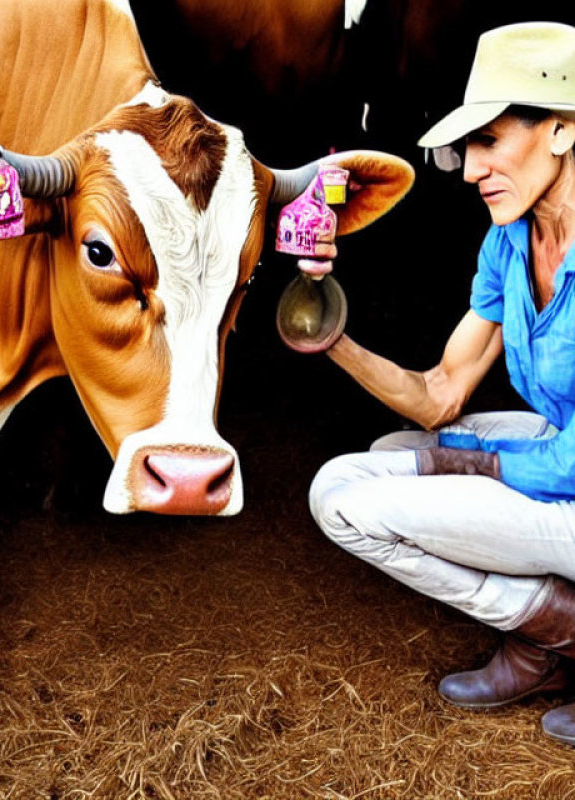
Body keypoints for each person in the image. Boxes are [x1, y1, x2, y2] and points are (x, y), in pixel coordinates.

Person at [308, 20, 575, 744]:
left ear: (560, 130)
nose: (468, 168)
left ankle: (555, 636)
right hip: (558, 454)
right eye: (469, 146)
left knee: (345, 506)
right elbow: (443, 392)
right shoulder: (510, 239)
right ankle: (555, 632)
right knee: (371, 459)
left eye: (490, 140)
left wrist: (460, 464)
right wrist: (328, 333)